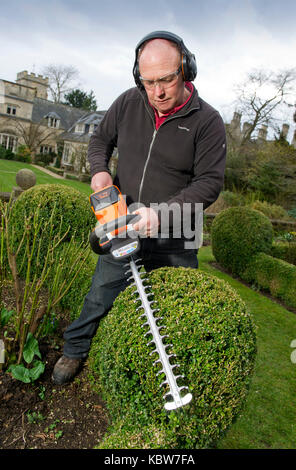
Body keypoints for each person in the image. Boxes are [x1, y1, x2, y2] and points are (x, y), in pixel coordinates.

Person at [52, 31, 226, 385]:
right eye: (149, 82)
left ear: (187, 70)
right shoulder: (128, 103)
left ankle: (159, 376)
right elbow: (99, 140)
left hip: (176, 237)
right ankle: (74, 349)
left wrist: (161, 214)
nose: (158, 92)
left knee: (175, 310)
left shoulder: (207, 122)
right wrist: (100, 169)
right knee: (100, 293)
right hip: (124, 225)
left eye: (167, 80)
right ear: (138, 77)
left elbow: (209, 183)